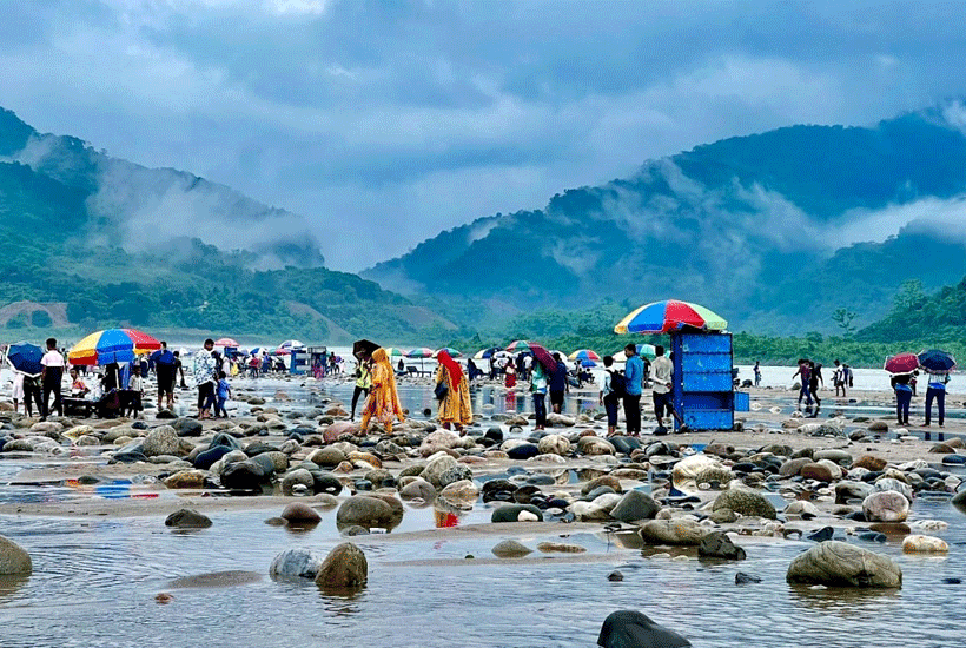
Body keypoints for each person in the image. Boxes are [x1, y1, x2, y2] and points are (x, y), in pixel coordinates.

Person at [360, 348, 405, 435]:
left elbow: (378, 379)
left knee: (368, 410)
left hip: (378, 392)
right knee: (386, 410)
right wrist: (369, 370)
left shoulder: (379, 365)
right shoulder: (387, 366)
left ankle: (363, 429)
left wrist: (372, 386)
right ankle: (388, 430)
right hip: (386, 392)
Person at [435, 350, 472, 433]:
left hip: (448, 394)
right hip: (458, 394)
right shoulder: (456, 365)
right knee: (456, 413)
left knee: (445, 413)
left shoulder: (443, 366)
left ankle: (446, 432)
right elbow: (463, 380)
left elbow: (439, 379)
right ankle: (461, 430)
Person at [40, 337, 65, 421]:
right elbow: (62, 368)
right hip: (57, 375)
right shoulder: (59, 355)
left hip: (48, 375)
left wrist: (42, 379)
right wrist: (60, 377)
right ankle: (60, 413)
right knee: (57, 395)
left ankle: (44, 414)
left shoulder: (46, 355)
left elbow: (44, 368)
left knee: (46, 396)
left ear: (48, 345)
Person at [923, 369, 951, 440]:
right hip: (941, 387)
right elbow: (947, 379)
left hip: (931, 386)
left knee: (928, 405)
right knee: (941, 405)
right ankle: (941, 423)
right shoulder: (945, 368)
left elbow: (927, 371)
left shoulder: (931, 366)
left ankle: (928, 422)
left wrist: (927, 370)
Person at [651, 345, 674, 430]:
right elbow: (672, 372)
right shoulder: (668, 361)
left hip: (658, 389)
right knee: (671, 407)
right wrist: (668, 382)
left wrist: (662, 382)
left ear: (655, 352)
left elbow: (653, 377)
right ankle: (680, 422)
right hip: (667, 388)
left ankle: (661, 426)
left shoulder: (654, 363)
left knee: (658, 409)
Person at [193, 339, 218, 420]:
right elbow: (210, 365)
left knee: (201, 395)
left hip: (199, 378)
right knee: (211, 395)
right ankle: (206, 412)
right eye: (211, 346)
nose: (212, 348)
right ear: (207, 345)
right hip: (207, 378)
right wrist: (215, 375)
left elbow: (195, 365)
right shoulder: (207, 353)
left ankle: (200, 412)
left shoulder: (198, 353)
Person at [623, 343, 643, 436]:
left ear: (631, 351)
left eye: (626, 351)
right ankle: (637, 431)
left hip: (630, 389)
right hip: (638, 389)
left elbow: (628, 375)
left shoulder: (630, 361)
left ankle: (629, 431)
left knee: (629, 411)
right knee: (637, 411)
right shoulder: (640, 360)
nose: (625, 353)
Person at [600, 356, 621, 437]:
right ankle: (614, 430)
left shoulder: (604, 372)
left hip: (607, 395)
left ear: (604, 363)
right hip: (615, 394)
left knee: (609, 413)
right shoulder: (615, 372)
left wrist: (600, 398)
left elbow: (602, 387)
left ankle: (610, 432)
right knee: (614, 413)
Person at [153, 342, 177, 411]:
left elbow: (172, 362)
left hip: (168, 373)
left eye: (161, 346)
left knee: (168, 390)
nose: (161, 347)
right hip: (160, 373)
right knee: (160, 389)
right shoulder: (157, 353)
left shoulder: (169, 353)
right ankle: (159, 403)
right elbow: (153, 359)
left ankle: (168, 403)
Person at [350, 352, 372, 421]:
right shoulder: (359, 364)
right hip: (359, 383)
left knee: (367, 400)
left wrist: (368, 368)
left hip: (366, 384)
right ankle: (352, 414)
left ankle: (367, 415)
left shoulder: (369, 364)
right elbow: (358, 373)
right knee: (354, 399)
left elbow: (371, 372)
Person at [530, 360, 548, 430]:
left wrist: (531, 371)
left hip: (537, 387)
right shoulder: (545, 367)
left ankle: (538, 425)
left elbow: (537, 375)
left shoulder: (537, 365)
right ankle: (542, 425)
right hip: (542, 387)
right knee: (542, 406)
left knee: (537, 407)